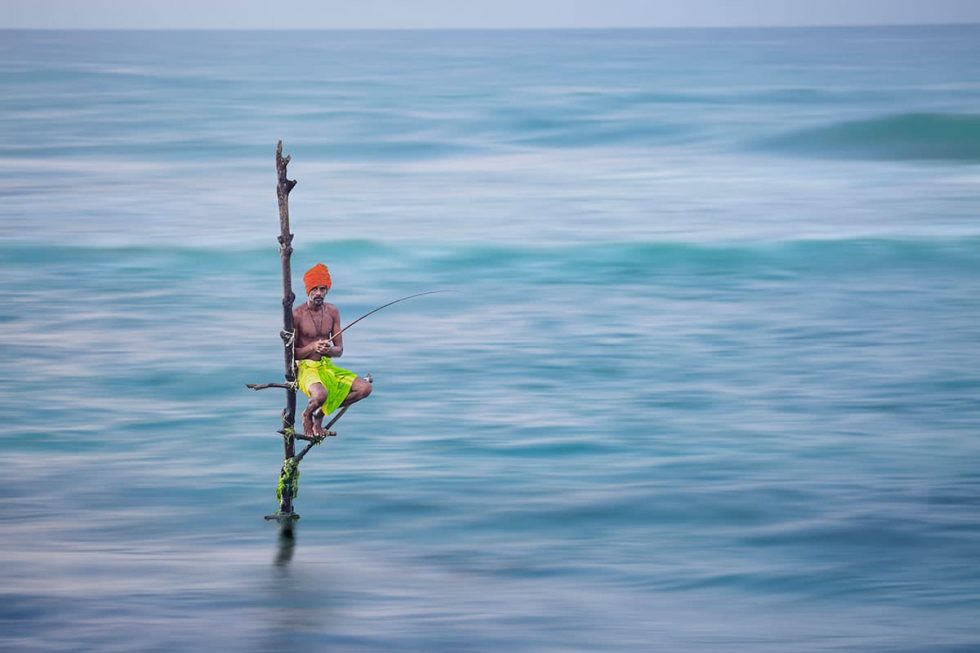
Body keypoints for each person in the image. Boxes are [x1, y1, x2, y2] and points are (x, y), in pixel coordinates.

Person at [293, 263, 372, 436]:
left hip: (327, 366)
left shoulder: (332, 311)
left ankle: (319, 414)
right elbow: (292, 354)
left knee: (364, 388)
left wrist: (328, 350)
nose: (319, 293)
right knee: (321, 395)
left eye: (323, 289)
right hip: (306, 369)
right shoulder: (297, 314)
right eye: (315, 289)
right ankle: (307, 416)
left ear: (327, 289)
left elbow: (339, 350)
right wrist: (312, 347)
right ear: (308, 290)